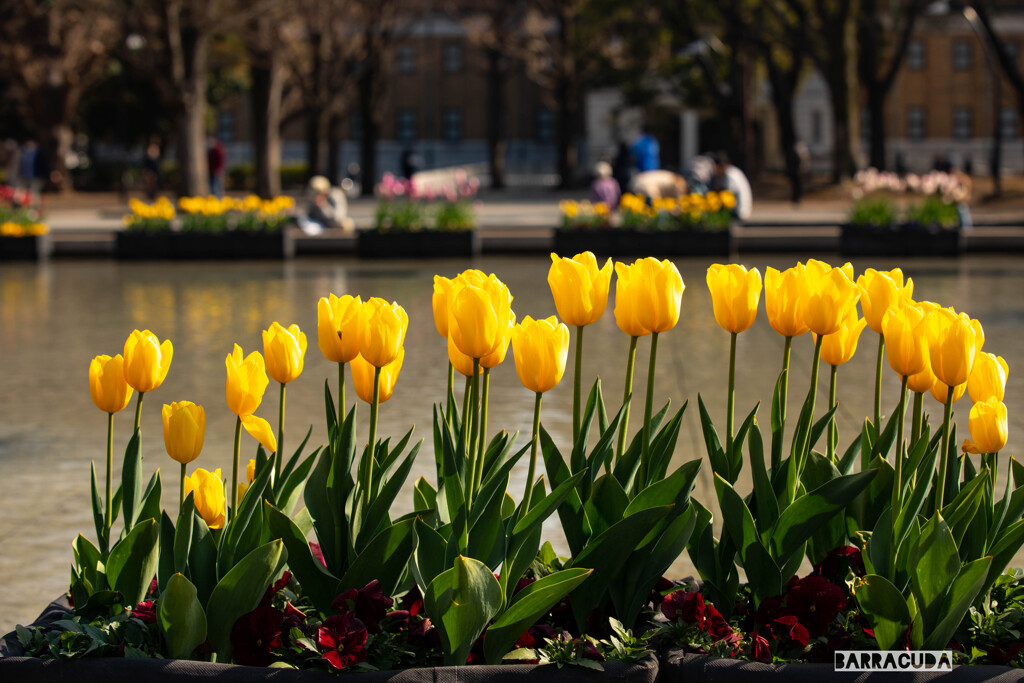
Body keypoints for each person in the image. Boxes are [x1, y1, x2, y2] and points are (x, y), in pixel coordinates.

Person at [708, 151, 753, 221]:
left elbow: (727, 196)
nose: (714, 171)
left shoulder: (731, 175)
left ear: (720, 166)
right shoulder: (731, 171)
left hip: (739, 212)